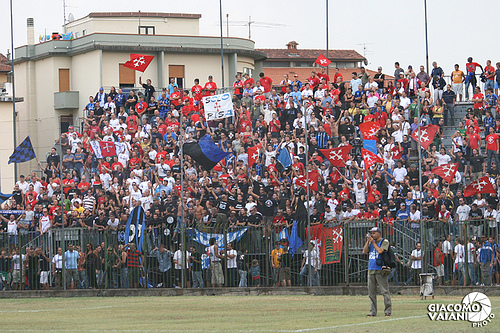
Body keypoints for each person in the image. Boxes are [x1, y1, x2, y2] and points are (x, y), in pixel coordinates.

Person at [363, 227, 391, 317]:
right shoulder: (371, 242)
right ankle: (372, 311)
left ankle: (388, 310)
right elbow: (364, 251)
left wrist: (373, 242)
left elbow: (380, 251)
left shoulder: (384, 241)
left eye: (374, 233)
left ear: (379, 233)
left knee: (384, 291)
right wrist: (368, 242)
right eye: (371, 233)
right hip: (371, 269)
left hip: (380, 269)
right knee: (371, 293)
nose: (372, 235)